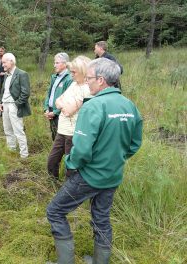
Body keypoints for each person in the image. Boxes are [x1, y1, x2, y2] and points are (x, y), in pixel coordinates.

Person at [46, 58, 143, 264]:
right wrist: (114, 159)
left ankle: (65, 262)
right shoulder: (130, 106)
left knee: (54, 211)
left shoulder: (93, 106)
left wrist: (70, 164)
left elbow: (81, 151)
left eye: (89, 78)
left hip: (89, 176)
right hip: (113, 175)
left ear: (100, 80)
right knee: (101, 217)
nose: (87, 82)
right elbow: (134, 144)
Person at [47, 55, 92, 181]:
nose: (71, 74)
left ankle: (69, 192)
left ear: (83, 72)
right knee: (52, 160)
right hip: (62, 130)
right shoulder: (73, 84)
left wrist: (63, 104)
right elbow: (57, 100)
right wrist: (64, 104)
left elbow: (68, 111)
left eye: (74, 72)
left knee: (71, 166)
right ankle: (53, 183)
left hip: (73, 133)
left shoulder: (87, 89)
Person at [0, 53, 31, 159]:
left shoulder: (22, 74)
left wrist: (17, 104)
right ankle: (11, 150)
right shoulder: (6, 75)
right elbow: (4, 91)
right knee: (7, 130)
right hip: (5, 105)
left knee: (18, 130)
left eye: (4, 62)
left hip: (14, 105)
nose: (2, 65)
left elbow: (25, 93)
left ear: (11, 61)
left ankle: (24, 155)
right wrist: (1, 103)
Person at [43, 53, 73, 141]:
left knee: (62, 138)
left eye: (57, 63)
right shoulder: (54, 77)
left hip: (61, 113)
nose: (54, 65)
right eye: (54, 63)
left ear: (65, 64)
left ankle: (64, 154)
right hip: (51, 111)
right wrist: (46, 108)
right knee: (54, 134)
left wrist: (55, 112)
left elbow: (68, 100)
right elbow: (49, 94)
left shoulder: (69, 79)